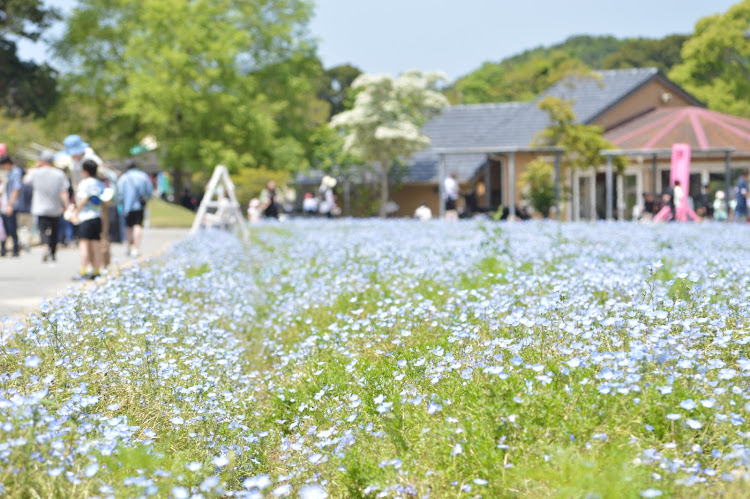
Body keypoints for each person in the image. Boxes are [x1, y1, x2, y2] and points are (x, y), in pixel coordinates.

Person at [22, 151, 70, 262]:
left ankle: (45, 246)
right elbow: (64, 191)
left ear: (41, 161)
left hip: (40, 207)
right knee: (54, 230)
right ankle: (53, 251)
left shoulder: (35, 172)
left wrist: (35, 167)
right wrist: (67, 205)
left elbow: (25, 180)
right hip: (55, 207)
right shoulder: (59, 174)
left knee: (43, 229)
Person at [72, 160, 106, 280]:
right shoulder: (100, 184)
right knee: (96, 245)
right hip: (97, 216)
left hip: (86, 217)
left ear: (85, 171)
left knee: (84, 245)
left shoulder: (84, 183)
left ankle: (83, 271)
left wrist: (75, 212)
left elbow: (83, 200)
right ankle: (97, 270)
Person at [117, 159, 153, 258]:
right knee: (138, 225)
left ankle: (129, 247)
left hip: (127, 207)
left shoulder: (123, 177)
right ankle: (136, 248)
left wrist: (121, 203)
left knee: (128, 227)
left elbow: (119, 193)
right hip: (139, 205)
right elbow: (149, 191)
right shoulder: (143, 176)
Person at [0, 154, 22, 257]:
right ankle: (4, 248)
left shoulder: (15, 172)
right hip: (4, 204)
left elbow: (16, 189)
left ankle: (15, 248)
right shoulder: (7, 174)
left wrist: (10, 204)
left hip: (10, 204)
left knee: (12, 227)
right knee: (4, 227)